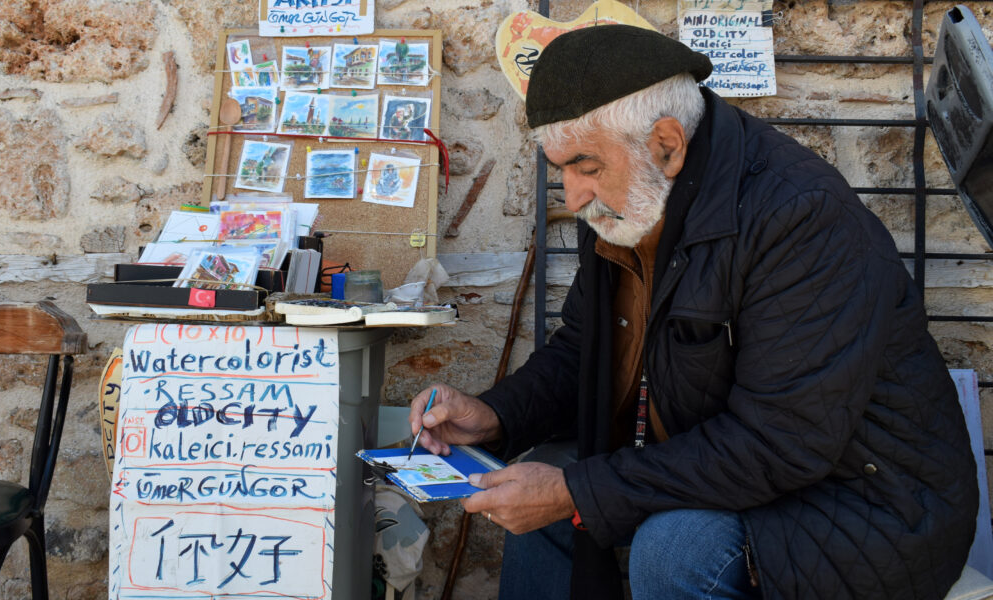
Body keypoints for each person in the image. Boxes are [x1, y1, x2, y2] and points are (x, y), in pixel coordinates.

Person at [409, 25, 979, 600]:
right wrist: (495, 416)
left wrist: (580, 492)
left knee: (672, 546)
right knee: (540, 484)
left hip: (861, 503)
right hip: (719, 455)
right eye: (562, 168)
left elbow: (781, 442)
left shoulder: (801, 218)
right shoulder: (630, 201)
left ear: (667, 143)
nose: (572, 194)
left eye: (586, 165)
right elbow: (586, 349)